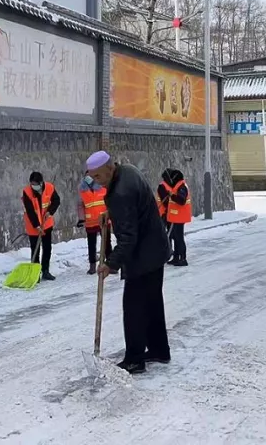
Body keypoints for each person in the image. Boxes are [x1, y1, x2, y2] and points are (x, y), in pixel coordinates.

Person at [88, 151, 171, 375]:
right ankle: (159, 350)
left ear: (108, 168)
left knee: (134, 307)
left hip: (143, 255)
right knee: (152, 303)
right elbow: (133, 209)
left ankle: (135, 359)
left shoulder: (120, 192)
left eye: (98, 176)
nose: (96, 181)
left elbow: (127, 238)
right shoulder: (128, 171)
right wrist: (111, 213)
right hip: (156, 248)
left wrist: (110, 264)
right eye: (92, 177)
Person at [22, 171, 61, 281]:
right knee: (35, 250)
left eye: (35, 184)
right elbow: (30, 211)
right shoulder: (27, 192)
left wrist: (50, 211)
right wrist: (37, 226)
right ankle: (35, 274)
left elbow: (56, 200)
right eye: (32, 184)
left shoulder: (49, 187)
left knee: (47, 248)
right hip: (33, 227)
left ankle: (45, 271)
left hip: (46, 224)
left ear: (41, 183)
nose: (33, 186)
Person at [77, 174, 111, 275]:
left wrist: (110, 214)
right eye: (87, 176)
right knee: (91, 244)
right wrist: (81, 219)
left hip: (104, 220)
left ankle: (110, 264)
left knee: (106, 242)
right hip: (90, 221)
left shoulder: (103, 187)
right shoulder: (82, 190)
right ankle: (92, 265)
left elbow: (109, 201)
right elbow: (80, 205)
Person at [157, 168, 192, 267]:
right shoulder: (179, 185)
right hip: (175, 216)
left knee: (179, 238)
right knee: (175, 237)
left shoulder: (181, 186)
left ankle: (183, 258)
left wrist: (172, 196)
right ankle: (177, 257)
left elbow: (181, 201)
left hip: (179, 216)